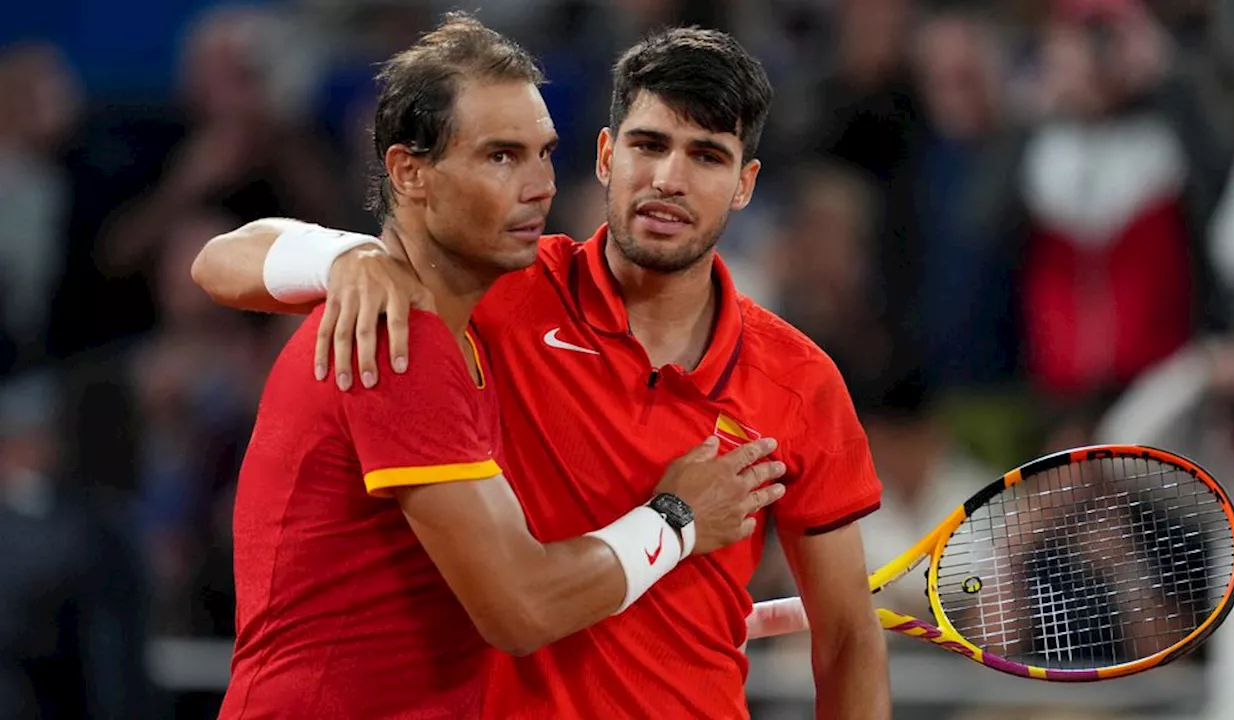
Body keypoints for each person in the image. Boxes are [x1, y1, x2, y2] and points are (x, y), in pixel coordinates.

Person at [193, 26, 889, 720]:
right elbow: (218, 262)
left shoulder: (802, 381)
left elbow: (849, 636)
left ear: (745, 185)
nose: (669, 179)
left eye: (706, 156)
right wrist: (344, 255)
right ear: (608, 157)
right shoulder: (481, 295)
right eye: (649, 145)